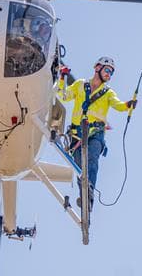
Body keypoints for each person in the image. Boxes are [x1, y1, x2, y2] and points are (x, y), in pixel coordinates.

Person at [56, 56, 136, 210]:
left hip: (96, 133)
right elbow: (63, 96)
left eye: (111, 73)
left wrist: (128, 105)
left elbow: (118, 105)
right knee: (80, 166)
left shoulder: (108, 93)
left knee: (92, 159)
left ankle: (89, 193)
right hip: (77, 134)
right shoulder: (80, 84)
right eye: (107, 70)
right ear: (97, 68)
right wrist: (62, 78)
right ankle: (85, 195)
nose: (109, 75)